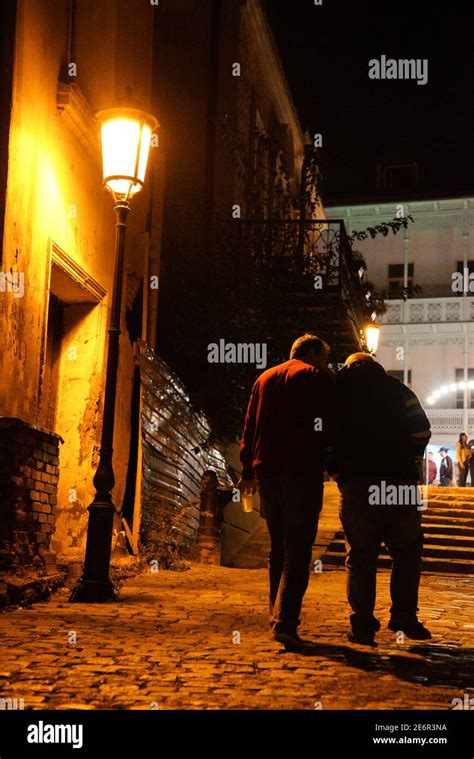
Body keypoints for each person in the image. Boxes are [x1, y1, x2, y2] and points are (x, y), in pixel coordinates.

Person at [239, 334, 336, 651]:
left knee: (278, 546)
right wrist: (328, 457)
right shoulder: (314, 377)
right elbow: (328, 422)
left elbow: (249, 427)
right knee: (298, 548)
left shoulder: (264, 378)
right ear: (312, 354)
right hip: (301, 470)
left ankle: (275, 614)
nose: (324, 363)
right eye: (323, 357)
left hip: (266, 470)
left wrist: (247, 471)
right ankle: (285, 622)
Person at [335, 352, 432, 645]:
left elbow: (322, 435)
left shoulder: (338, 392)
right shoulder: (399, 390)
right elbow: (422, 431)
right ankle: (403, 616)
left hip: (357, 485)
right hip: (398, 482)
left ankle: (362, 625)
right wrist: (410, 457)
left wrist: (338, 471)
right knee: (406, 551)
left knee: (361, 556)